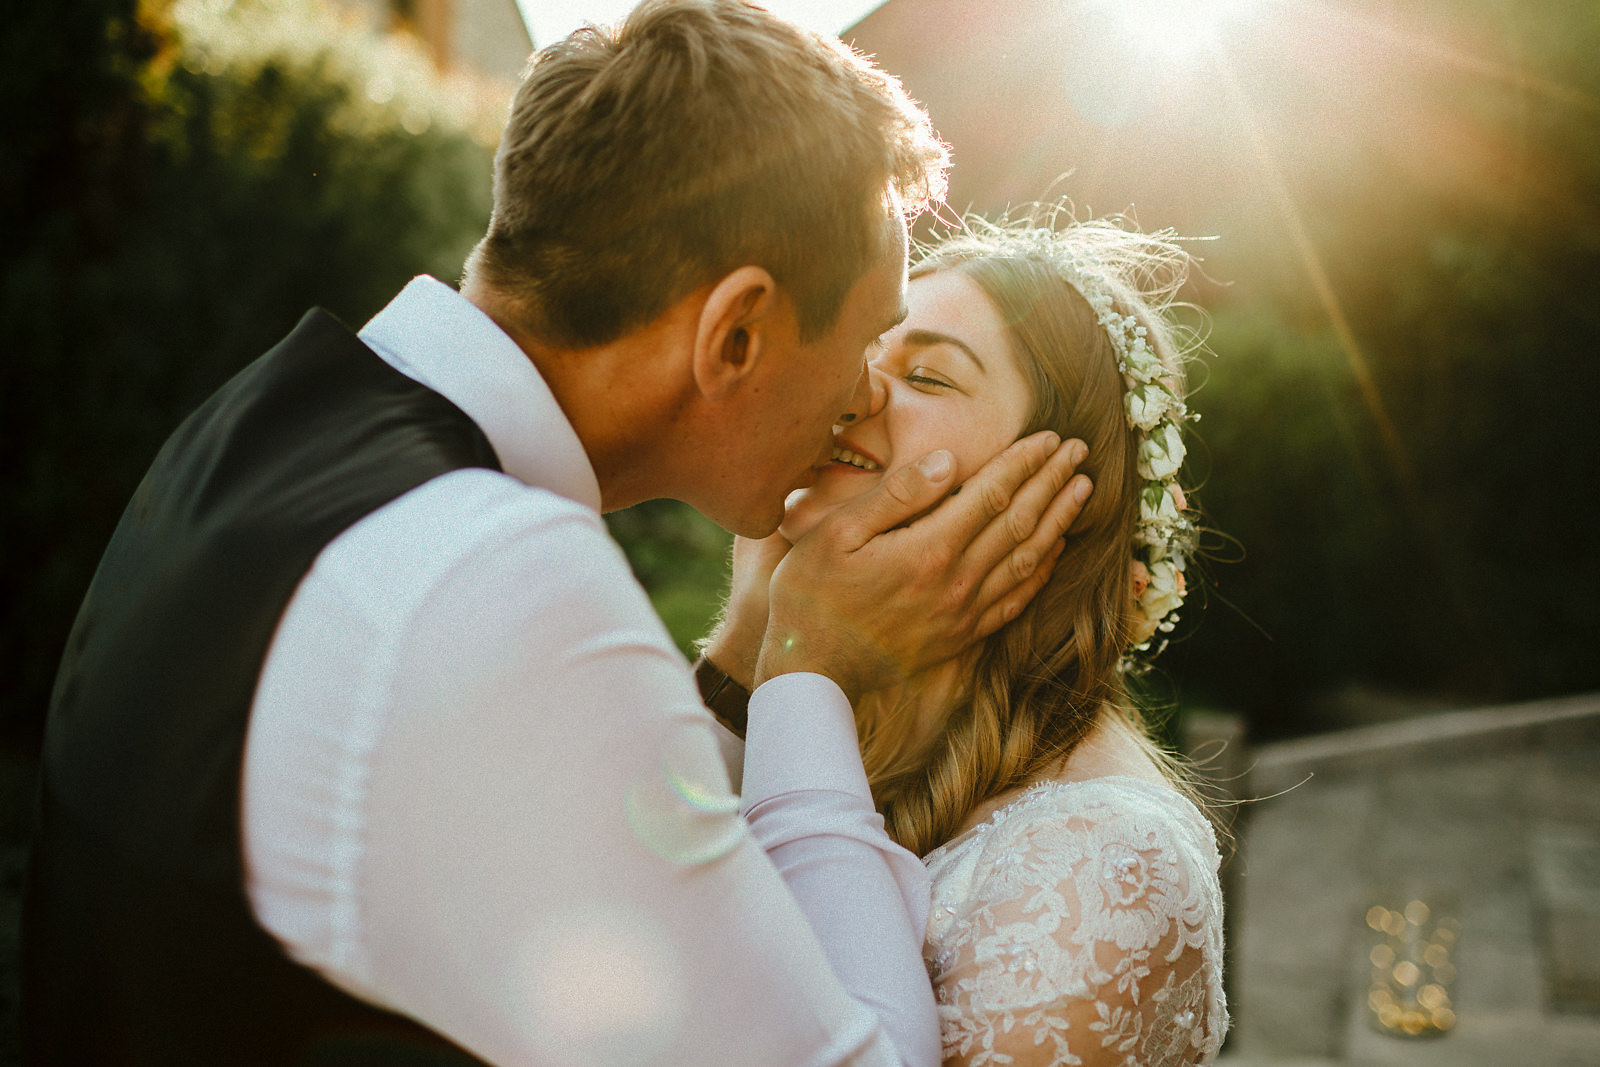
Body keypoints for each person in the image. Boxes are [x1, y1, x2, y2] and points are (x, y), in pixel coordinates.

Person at [20, 4, 1093, 1066]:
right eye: (866, 339)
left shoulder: (261, 425)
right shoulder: (488, 578)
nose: (866, 396)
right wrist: (815, 668)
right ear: (735, 333)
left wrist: (742, 658)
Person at [699, 216, 1230, 1066]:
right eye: (867, 351)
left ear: (1061, 498)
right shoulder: (828, 733)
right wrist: (752, 646)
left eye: (928, 375)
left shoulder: (1098, 871)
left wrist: (801, 667)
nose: (858, 391)